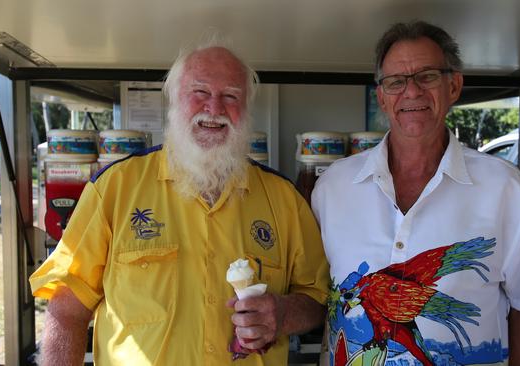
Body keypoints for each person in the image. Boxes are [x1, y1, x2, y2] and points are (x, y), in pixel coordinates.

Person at [30, 40, 329, 365]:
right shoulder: (114, 188)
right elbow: (67, 308)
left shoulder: (284, 199)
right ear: (173, 101)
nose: (214, 108)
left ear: (246, 110)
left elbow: (318, 299)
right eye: (200, 92)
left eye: (231, 96)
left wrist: (283, 315)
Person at [311, 21, 520, 366]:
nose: (412, 91)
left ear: (454, 85)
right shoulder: (332, 186)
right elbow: (314, 290)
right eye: (396, 82)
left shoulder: (504, 187)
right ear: (381, 97)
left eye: (427, 76)